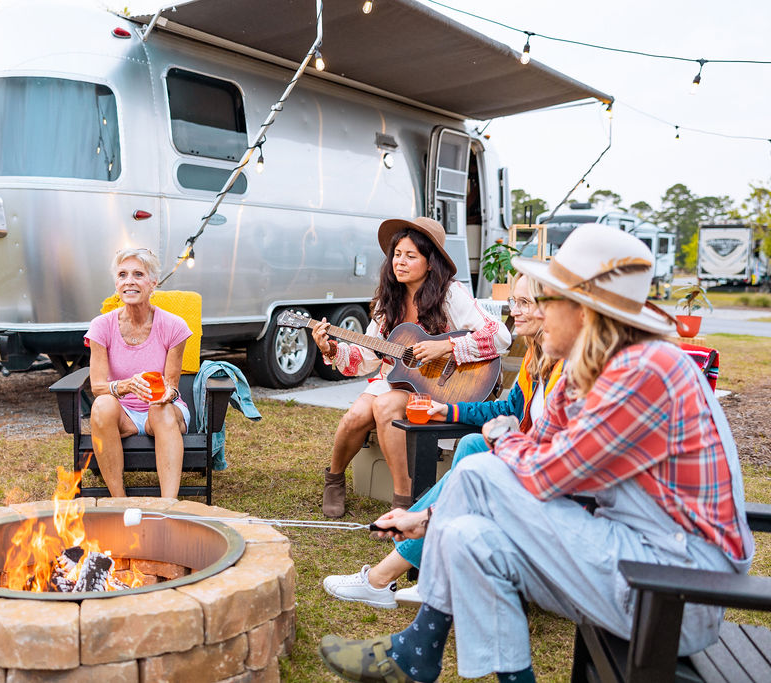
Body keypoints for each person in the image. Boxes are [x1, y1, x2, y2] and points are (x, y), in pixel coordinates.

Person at [318, 224, 753, 683]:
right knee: (466, 537)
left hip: (677, 590)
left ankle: (416, 651)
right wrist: (432, 520)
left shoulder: (644, 371)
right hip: (627, 556)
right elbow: (537, 453)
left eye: (546, 301)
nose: (531, 314)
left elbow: (546, 476)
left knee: (483, 468)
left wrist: (499, 440)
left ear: (584, 312)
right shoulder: (585, 372)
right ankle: (428, 654)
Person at [322, 273, 563, 608]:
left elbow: (555, 441)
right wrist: (446, 410)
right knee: (470, 446)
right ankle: (429, 565)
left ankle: (383, 577)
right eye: (513, 302)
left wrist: (445, 348)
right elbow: (510, 408)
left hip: (545, 470)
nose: (514, 311)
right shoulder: (537, 355)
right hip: (528, 453)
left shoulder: (567, 365)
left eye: (523, 303)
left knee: (476, 461)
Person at [313, 217, 510, 516]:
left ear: (430, 262)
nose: (399, 262)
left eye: (410, 256)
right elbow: (367, 356)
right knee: (355, 416)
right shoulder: (387, 300)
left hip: (441, 385)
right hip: (398, 379)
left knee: (384, 407)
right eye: (396, 254)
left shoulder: (450, 294)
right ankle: (335, 479)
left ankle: (403, 501)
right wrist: (331, 348)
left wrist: (446, 346)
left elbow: (500, 336)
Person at [85, 247, 192, 498]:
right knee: (101, 405)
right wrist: (126, 386)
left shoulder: (174, 326)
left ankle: (168, 504)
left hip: (163, 412)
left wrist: (165, 395)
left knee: (161, 409)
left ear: (153, 283)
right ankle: (119, 501)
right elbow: (97, 385)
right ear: (116, 283)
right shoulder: (101, 326)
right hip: (124, 415)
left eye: (138, 274)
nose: (129, 281)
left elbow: (172, 385)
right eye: (122, 275)